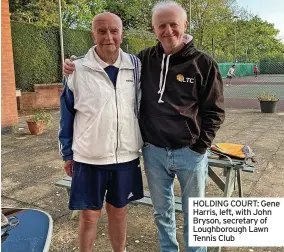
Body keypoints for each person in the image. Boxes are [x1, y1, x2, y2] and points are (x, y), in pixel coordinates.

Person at [63, 2, 225, 252]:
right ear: (154, 28)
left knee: (195, 216)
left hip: (188, 153)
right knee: (162, 214)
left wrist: (200, 147)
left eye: (174, 24)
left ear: (185, 25)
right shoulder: (144, 60)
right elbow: (72, 105)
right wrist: (73, 64)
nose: (168, 30)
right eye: (162, 25)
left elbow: (214, 110)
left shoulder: (201, 63)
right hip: (152, 153)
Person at [58, 12, 144, 252]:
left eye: (114, 31)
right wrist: (67, 153)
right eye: (102, 31)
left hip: (125, 157)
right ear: (92, 34)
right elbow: (66, 115)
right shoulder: (77, 69)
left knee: (119, 214)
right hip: (89, 158)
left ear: (121, 33)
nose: (108, 37)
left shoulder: (135, 65)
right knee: (89, 217)